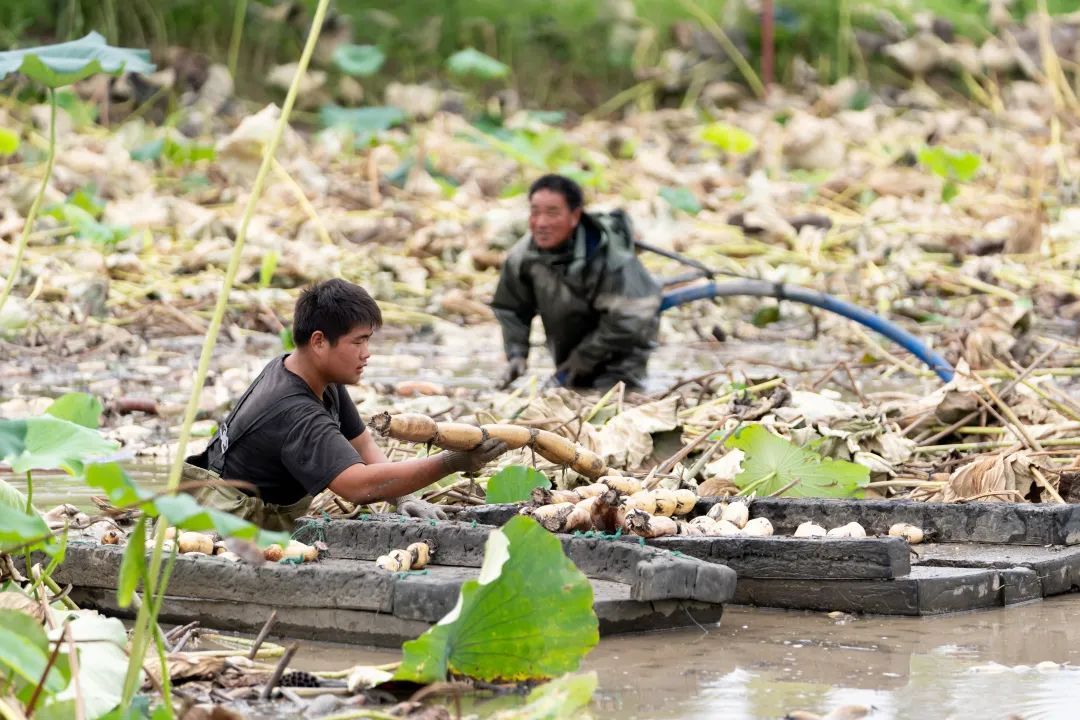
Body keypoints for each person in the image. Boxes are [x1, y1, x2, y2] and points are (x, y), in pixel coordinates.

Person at [183, 279, 506, 530]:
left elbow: (362, 442)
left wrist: (403, 497)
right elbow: (356, 486)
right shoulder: (293, 409)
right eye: (358, 342)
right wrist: (450, 463)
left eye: (368, 340)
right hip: (220, 526)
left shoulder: (311, 373)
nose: (367, 353)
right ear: (319, 341)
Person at [491, 174, 661, 392]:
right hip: (568, 349)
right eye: (535, 212)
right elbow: (511, 308)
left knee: (613, 395)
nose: (541, 223)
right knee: (572, 391)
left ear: (574, 216)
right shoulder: (522, 257)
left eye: (552, 213)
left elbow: (631, 317)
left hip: (622, 353)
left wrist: (585, 356)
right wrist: (516, 353)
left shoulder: (610, 258)